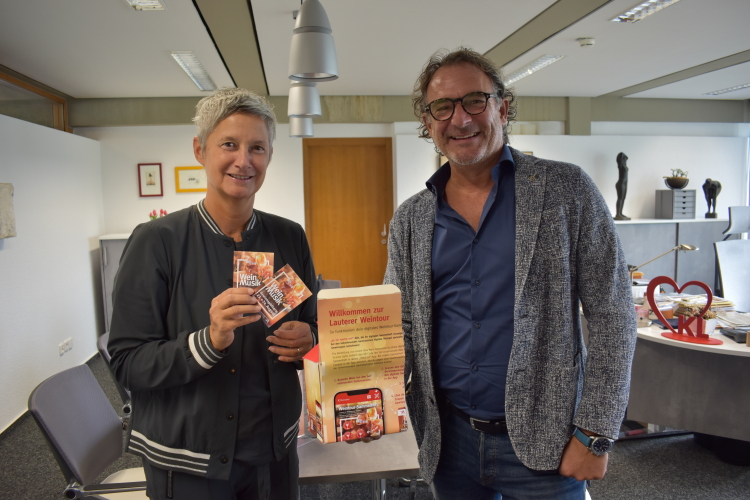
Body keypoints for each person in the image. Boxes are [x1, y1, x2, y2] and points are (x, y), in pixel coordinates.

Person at [383, 47, 637, 499]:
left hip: (550, 445)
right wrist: (341, 359)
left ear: (501, 107)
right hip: (449, 442)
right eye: (442, 107)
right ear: (428, 123)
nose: (459, 119)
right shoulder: (411, 218)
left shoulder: (566, 191)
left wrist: (595, 434)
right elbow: (398, 324)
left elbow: (614, 314)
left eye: (474, 101)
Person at [108, 88, 316, 500]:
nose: (244, 160)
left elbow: (312, 325)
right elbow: (128, 364)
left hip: (274, 451)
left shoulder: (289, 236)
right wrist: (208, 340)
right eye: (229, 145)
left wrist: (308, 340)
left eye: (257, 147)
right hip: (189, 460)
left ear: (270, 156)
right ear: (200, 151)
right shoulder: (156, 242)